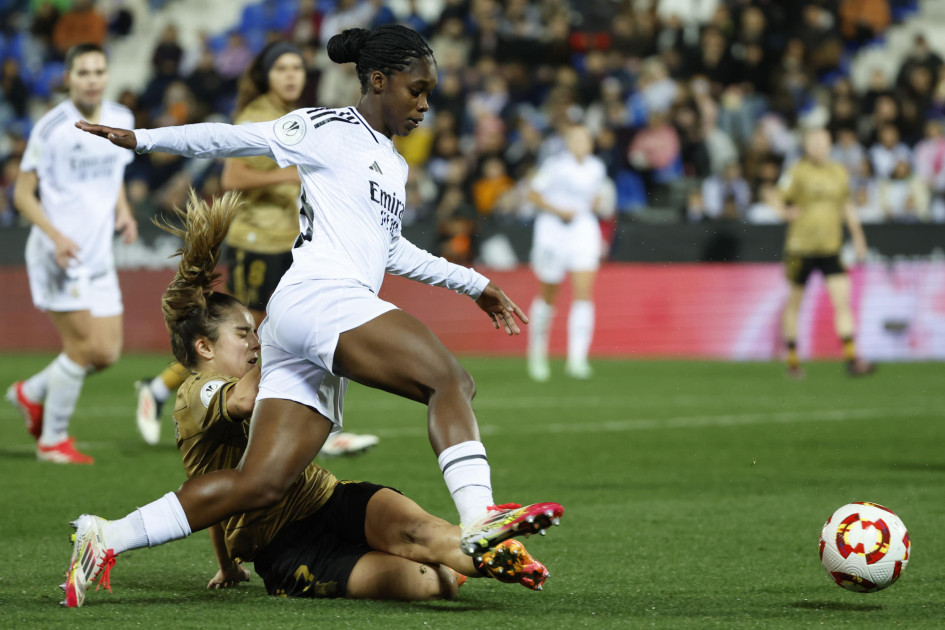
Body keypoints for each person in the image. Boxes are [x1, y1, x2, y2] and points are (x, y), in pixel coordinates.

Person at [67, 24, 562, 607]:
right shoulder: (326, 128)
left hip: (304, 318)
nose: (425, 103)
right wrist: (143, 138)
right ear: (378, 80)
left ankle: (105, 537)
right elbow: (231, 138)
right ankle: (480, 519)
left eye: (430, 92)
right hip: (323, 296)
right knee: (450, 381)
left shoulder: (393, 165)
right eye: (416, 89)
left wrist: (473, 283)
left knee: (262, 483)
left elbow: (390, 248)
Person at [62, 191, 551, 606]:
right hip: (284, 544)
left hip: (329, 499)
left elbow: (218, 492)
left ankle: (486, 546)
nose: (255, 343)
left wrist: (226, 565)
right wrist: (288, 333)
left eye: (256, 334)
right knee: (431, 581)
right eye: (243, 335)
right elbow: (238, 419)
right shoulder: (195, 394)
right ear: (204, 348)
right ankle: (106, 533)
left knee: (432, 539)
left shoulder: (253, 381)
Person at [134, 41, 379, 457]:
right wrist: (287, 178)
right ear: (266, 75)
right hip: (255, 243)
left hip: (292, 244)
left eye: (297, 68)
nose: (290, 76)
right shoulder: (257, 115)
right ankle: (305, 427)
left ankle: (163, 390)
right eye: (281, 68)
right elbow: (232, 174)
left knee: (281, 336)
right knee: (258, 339)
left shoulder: (300, 117)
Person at [5, 43, 137, 464]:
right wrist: (56, 237)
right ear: (68, 78)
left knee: (106, 353)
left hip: (99, 254)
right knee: (81, 348)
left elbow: (115, 171)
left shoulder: (122, 118)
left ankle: (31, 393)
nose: (92, 79)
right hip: (58, 254)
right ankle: (52, 440)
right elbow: (23, 196)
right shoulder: (51, 129)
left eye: (99, 70)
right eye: (83, 72)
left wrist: (124, 211)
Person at [770, 128, 875, 378]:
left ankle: (851, 357)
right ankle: (793, 361)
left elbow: (847, 206)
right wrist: (784, 212)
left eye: (823, 142)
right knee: (795, 303)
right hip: (801, 247)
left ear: (830, 145)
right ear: (806, 146)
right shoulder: (796, 171)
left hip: (831, 247)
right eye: (813, 142)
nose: (818, 147)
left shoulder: (838, 172)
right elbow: (775, 195)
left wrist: (859, 237)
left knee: (842, 301)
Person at [526, 125, 610, 381]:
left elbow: (595, 197)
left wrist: (594, 204)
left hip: (582, 228)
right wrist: (558, 210)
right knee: (549, 294)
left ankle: (578, 360)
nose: (580, 143)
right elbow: (533, 194)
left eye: (585, 139)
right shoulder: (554, 165)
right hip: (552, 230)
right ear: (568, 142)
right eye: (575, 139)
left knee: (584, 292)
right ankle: (538, 354)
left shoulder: (597, 167)